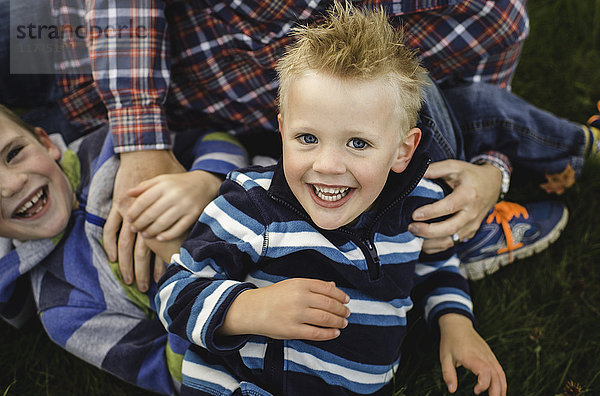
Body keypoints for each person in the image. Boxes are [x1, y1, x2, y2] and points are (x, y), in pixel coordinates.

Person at [29, 0, 538, 289]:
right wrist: (141, 143)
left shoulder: (487, 18)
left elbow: (480, 110)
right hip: (77, 51)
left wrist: (490, 174)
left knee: (421, 94)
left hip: (276, 152)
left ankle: (425, 238)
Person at [156, 5, 506, 396]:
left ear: (402, 151)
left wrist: (456, 323)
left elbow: (435, 262)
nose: (327, 165)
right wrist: (250, 309)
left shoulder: (415, 203)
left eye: (358, 143)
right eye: (308, 138)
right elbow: (173, 293)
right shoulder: (253, 205)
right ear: (283, 130)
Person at [0, 103, 248, 396]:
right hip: (255, 338)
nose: (12, 185)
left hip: (283, 223)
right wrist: (183, 270)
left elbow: (215, 139)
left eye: (13, 154)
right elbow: (180, 379)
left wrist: (208, 179)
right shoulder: (64, 309)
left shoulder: (115, 144)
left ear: (45, 142)